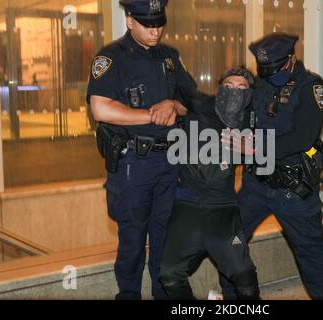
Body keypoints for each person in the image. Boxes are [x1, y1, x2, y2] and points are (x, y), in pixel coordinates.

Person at [86, 0, 196, 300]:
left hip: (170, 160)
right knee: (132, 240)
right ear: (130, 21)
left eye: (160, 23)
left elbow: (194, 102)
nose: (155, 30)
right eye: (148, 24)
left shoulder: (170, 57)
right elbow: (101, 108)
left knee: (165, 238)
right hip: (134, 163)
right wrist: (152, 114)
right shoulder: (111, 57)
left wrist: (174, 104)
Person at [219, 33, 323, 300]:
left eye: (275, 68)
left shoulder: (312, 87)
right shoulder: (259, 84)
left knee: (310, 253)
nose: (269, 74)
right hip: (255, 185)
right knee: (229, 239)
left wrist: (256, 147)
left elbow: (302, 137)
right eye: (264, 69)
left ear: (291, 58)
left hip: (292, 189)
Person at [158, 68, 260, 300]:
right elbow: (180, 99)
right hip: (187, 204)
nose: (233, 91)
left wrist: (250, 149)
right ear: (219, 89)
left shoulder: (251, 119)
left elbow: (271, 148)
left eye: (241, 87)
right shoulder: (200, 107)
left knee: (244, 278)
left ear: (250, 94)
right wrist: (170, 103)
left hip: (222, 208)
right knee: (170, 274)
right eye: (228, 86)